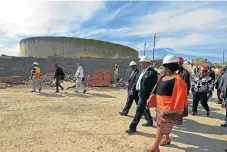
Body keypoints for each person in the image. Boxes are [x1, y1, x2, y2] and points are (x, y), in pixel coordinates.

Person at [147, 54, 188, 152]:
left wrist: (177, 110)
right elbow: (156, 89)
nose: (162, 68)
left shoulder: (178, 80)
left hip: (169, 109)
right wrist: (151, 98)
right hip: (159, 107)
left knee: (161, 127)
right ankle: (167, 138)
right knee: (161, 125)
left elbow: (182, 97)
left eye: (164, 66)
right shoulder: (162, 77)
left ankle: (155, 147)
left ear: (169, 67)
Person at [125, 56, 157, 134]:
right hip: (138, 92)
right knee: (144, 108)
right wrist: (132, 89)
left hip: (145, 95)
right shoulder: (141, 71)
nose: (140, 64)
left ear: (147, 63)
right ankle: (150, 121)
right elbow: (136, 81)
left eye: (142, 63)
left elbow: (154, 86)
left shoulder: (152, 72)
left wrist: (150, 96)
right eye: (140, 63)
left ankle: (132, 127)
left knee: (139, 110)